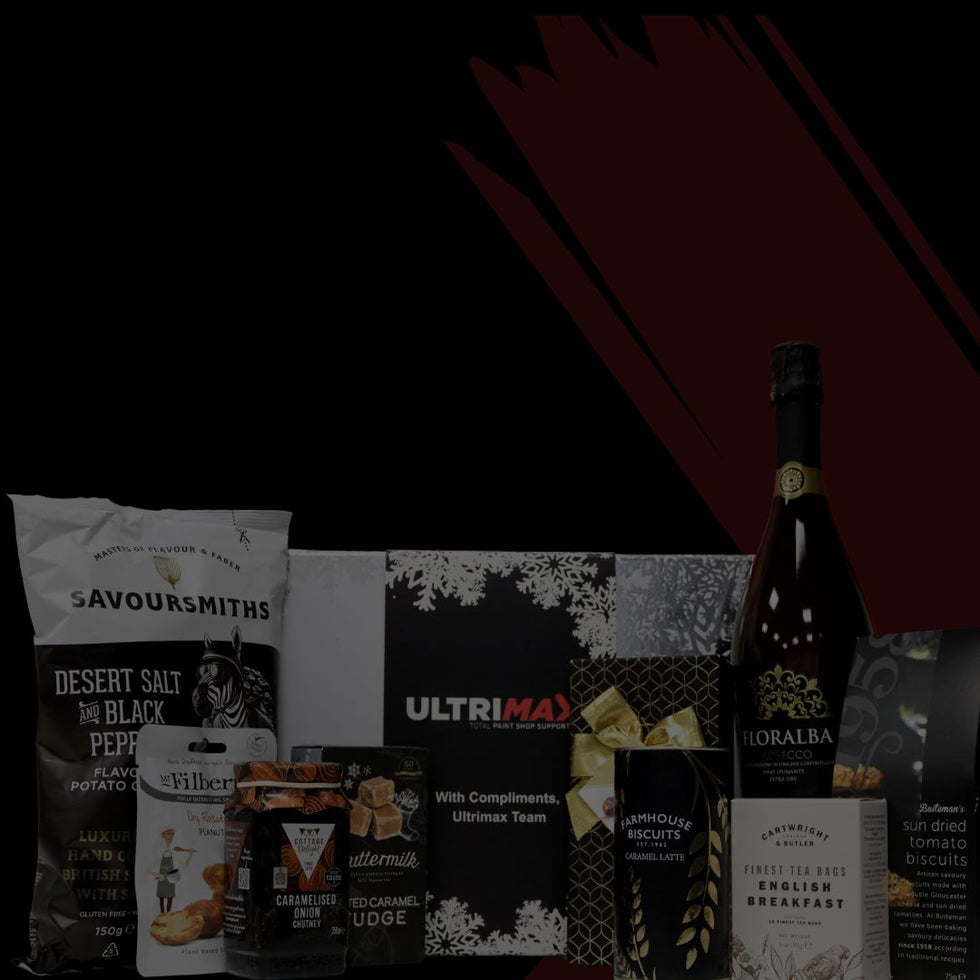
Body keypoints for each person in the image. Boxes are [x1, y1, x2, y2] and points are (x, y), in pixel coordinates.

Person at [150, 828, 197, 913]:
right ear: (164, 837)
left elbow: (185, 865)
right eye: (169, 835)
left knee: (170, 899)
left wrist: (190, 855)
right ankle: (162, 915)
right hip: (161, 879)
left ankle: (168, 915)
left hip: (171, 879)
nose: (171, 837)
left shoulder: (174, 853)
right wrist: (159, 875)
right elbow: (150, 869)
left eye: (172, 835)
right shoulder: (159, 853)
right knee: (161, 899)